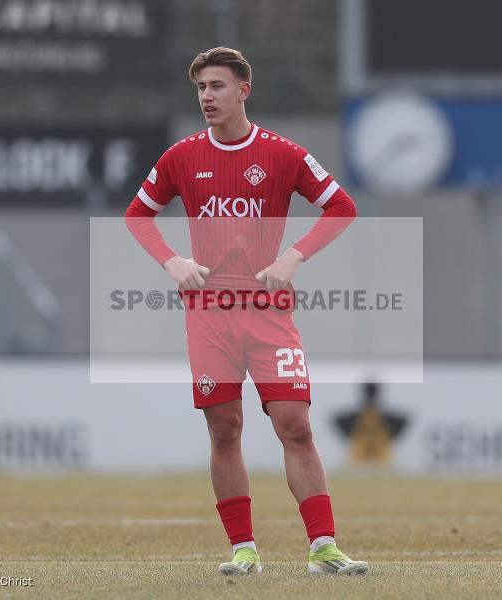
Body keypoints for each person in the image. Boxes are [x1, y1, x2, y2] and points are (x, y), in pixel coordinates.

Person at [125, 47, 365, 576]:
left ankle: (323, 548)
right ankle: (243, 550)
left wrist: (294, 256)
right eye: (200, 89)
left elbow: (341, 206)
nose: (206, 97)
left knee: (294, 424)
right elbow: (138, 215)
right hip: (208, 313)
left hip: (267, 312)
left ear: (243, 91)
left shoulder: (283, 154)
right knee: (224, 427)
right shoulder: (181, 156)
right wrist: (172, 262)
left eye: (216, 86)